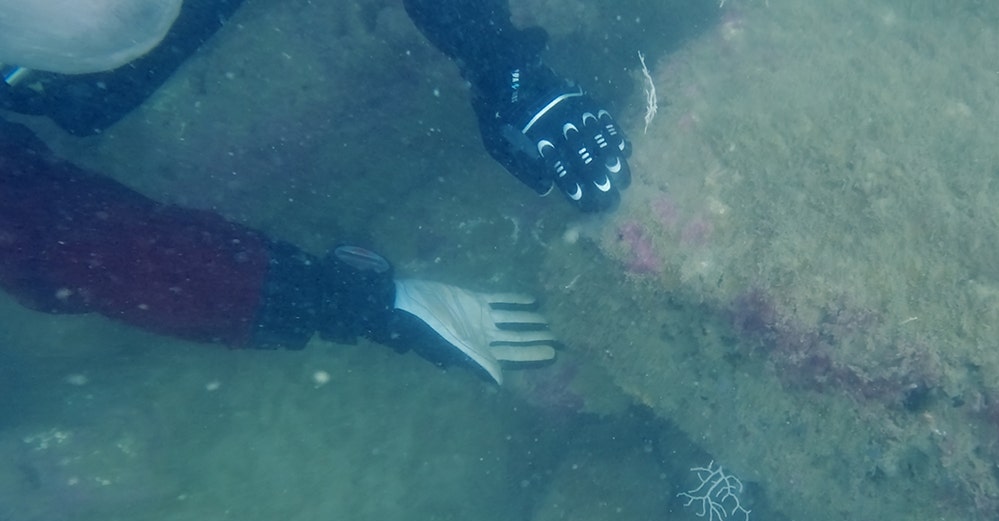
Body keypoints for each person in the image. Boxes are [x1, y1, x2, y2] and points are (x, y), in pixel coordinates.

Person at [0, 0, 633, 385]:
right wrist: (351, 302)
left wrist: (504, 66)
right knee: (85, 102)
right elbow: (67, 244)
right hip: (60, 92)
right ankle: (70, 87)